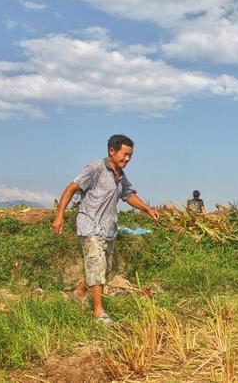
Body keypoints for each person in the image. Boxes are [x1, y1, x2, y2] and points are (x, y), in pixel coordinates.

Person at [51, 134, 159, 325]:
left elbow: (128, 196)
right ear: (112, 151)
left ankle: (80, 293)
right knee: (98, 266)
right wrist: (60, 216)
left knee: (104, 269)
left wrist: (147, 209)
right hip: (90, 225)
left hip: (108, 229)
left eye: (130, 156)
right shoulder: (96, 168)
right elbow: (71, 188)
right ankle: (99, 313)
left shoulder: (121, 176)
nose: (127, 159)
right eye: (124, 154)